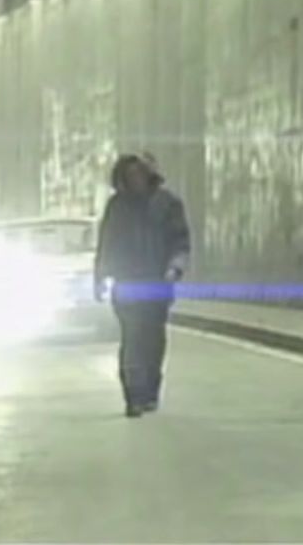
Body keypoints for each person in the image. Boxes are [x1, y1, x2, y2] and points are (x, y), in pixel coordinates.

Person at [94, 153, 191, 418]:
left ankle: (149, 392)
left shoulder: (167, 204)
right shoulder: (117, 206)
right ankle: (133, 395)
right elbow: (107, 243)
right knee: (133, 337)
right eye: (128, 177)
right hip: (126, 285)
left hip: (158, 284)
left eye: (138, 175)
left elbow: (180, 240)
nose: (134, 181)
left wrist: (175, 267)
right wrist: (100, 277)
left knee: (153, 339)